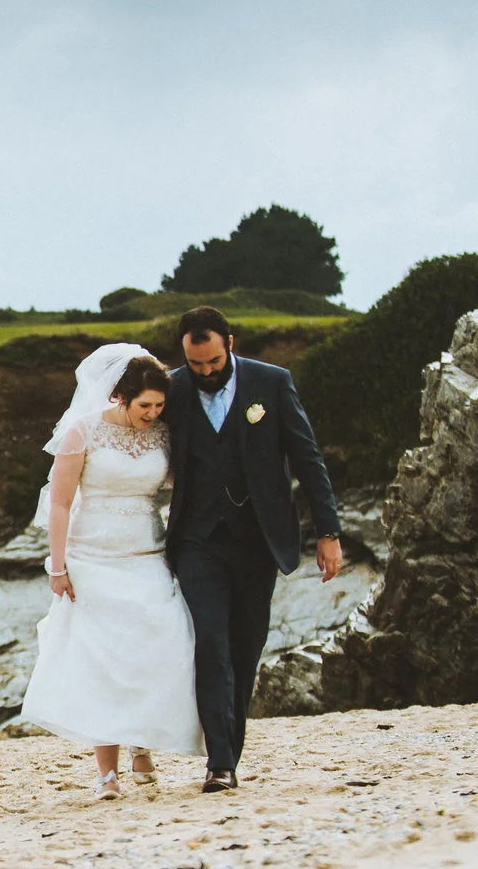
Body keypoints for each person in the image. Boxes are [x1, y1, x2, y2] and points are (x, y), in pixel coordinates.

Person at [164, 306, 343, 793]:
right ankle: (219, 763)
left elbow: (308, 458)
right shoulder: (174, 390)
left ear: (230, 343)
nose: (204, 372)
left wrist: (327, 532)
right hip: (197, 540)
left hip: (259, 539)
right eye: (195, 364)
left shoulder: (273, 382)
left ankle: (230, 751)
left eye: (212, 362)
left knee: (246, 649)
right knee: (212, 645)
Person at [18, 344, 203, 798]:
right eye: (145, 405)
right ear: (120, 396)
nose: (153, 413)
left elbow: (183, 484)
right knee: (103, 660)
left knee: (159, 645)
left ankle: (143, 741)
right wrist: (57, 566)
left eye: (160, 405)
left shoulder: (162, 435)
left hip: (148, 553)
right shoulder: (82, 432)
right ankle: (108, 773)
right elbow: (60, 503)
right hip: (92, 556)